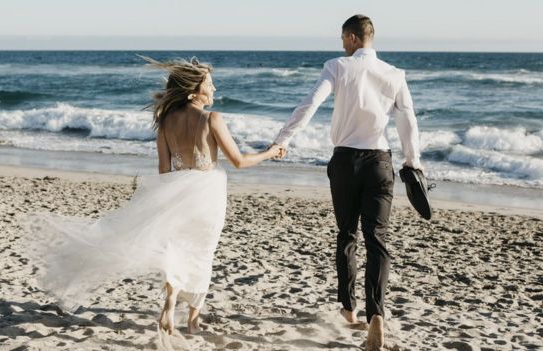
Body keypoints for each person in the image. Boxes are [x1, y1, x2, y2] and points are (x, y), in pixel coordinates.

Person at [23, 56, 282, 336]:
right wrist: (271, 151)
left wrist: (161, 202)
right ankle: (193, 320)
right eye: (210, 84)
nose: (215, 89)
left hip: (176, 191)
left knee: (176, 248)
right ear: (194, 92)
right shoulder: (212, 119)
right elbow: (239, 162)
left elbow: (163, 169)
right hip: (207, 193)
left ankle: (170, 302)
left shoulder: (166, 120)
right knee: (202, 252)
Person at [272, 14, 424, 350]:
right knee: (378, 239)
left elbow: (310, 104)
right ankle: (377, 315)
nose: (342, 44)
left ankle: (348, 310)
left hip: (345, 162)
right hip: (380, 163)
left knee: (347, 234)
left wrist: (283, 139)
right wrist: (413, 162)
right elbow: (407, 122)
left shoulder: (337, 66)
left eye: (343, 39)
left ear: (352, 37)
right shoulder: (395, 74)